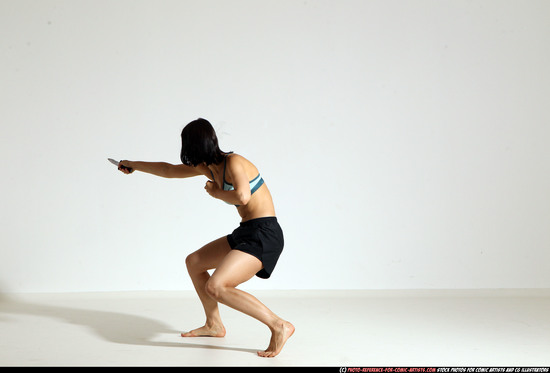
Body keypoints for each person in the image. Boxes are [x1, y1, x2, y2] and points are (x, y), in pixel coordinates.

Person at [117, 118, 294, 358]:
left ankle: (278, 325)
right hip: (247, 231)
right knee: (194, 262)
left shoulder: (234, 162)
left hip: (265, 233)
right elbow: (168, 170)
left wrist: (215, 192)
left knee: (216, 286)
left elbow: (242, 196)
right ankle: (214, 324)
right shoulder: (208, 167)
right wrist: (133, 165)